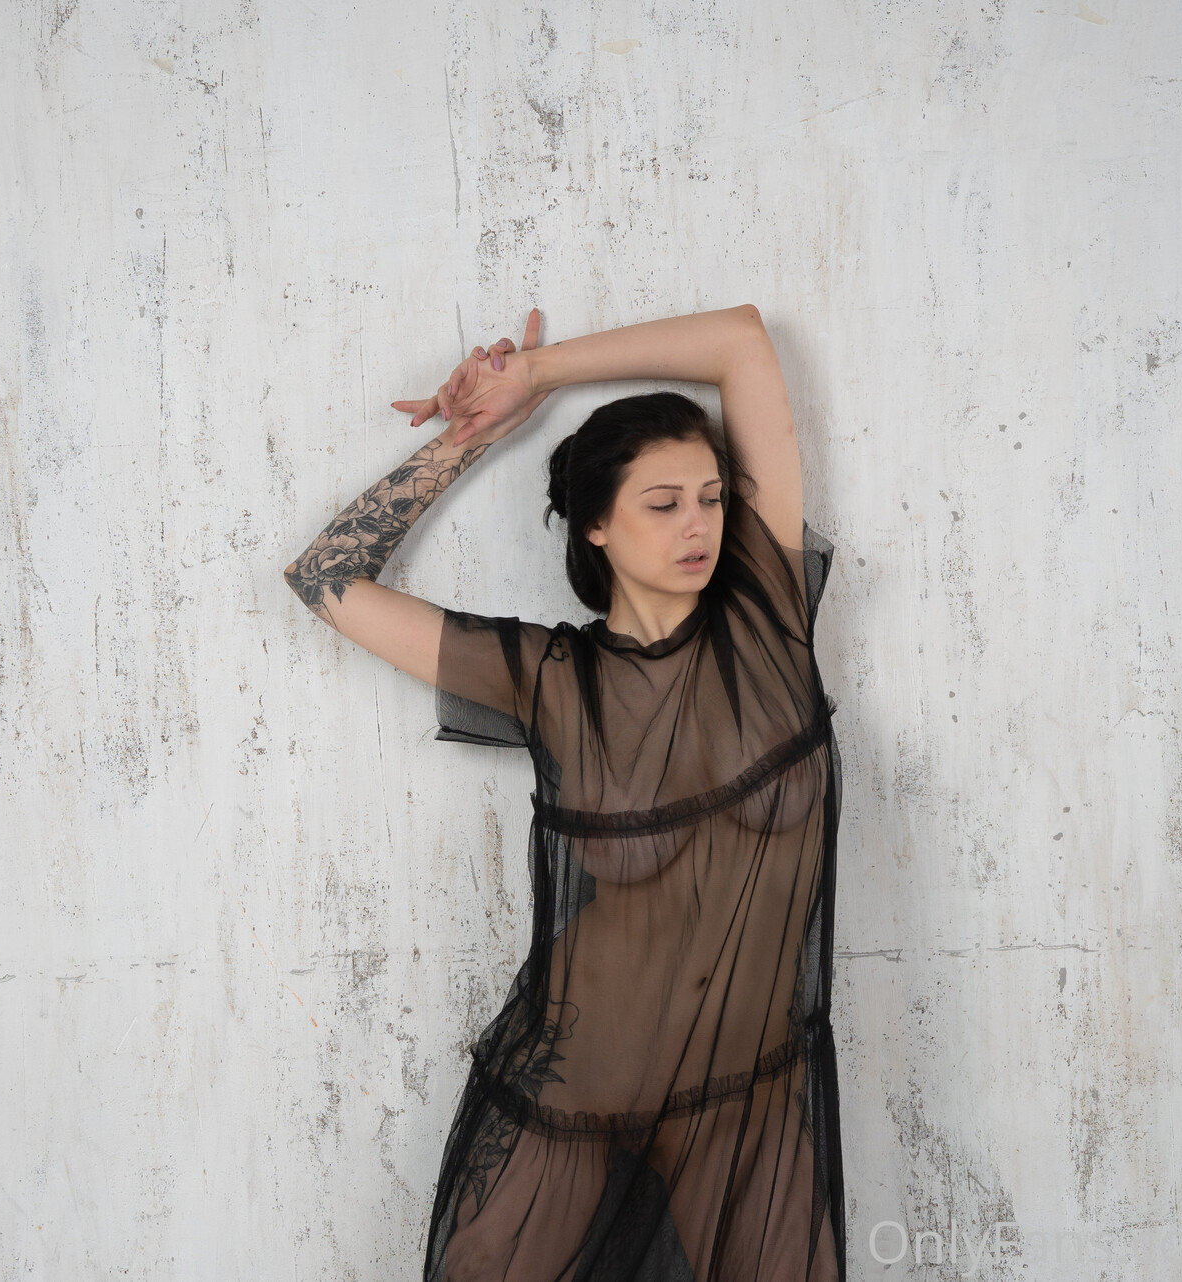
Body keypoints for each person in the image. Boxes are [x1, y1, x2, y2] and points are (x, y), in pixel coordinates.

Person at [284, 304, 845, 1281]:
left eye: (712, 498)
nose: (700, 524)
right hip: (576, 1099)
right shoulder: (549, 678)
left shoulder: (769, 614)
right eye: (662, 504)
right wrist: (475, 433)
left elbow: (741, 342)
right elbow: (326, 576)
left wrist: (537, 372)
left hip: (749, 1103)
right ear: (596, 524)